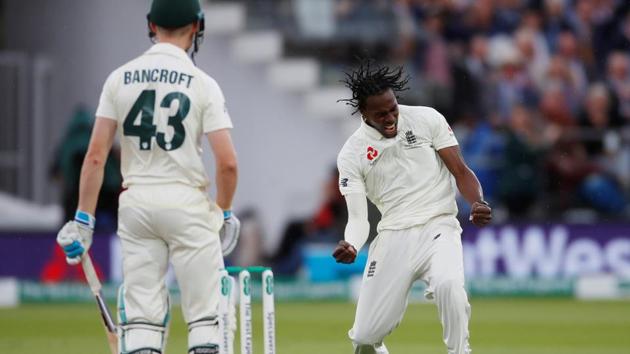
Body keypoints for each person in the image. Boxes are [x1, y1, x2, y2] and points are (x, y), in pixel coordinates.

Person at [55, 0, 240, 353]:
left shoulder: (119, 78)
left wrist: (84, 219)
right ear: (197, 27)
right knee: (207, 317)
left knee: (142, 321)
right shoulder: (203, 84)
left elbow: (95, 156)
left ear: (151, 26)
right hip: (187, 203)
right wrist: (225, 212)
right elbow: (228, 163)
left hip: (136, 204)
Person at [332, 60, 492, 354]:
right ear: (363, 113)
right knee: (365, 338)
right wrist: (353, 244)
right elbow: (358, 218)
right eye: (381, 114)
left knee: (448, 285)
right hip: (393, 235)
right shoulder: (352, 154)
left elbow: (460, 171)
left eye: (393, 108)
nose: (391, 117)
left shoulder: (426, 119)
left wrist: (477, 202)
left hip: (438, 225)